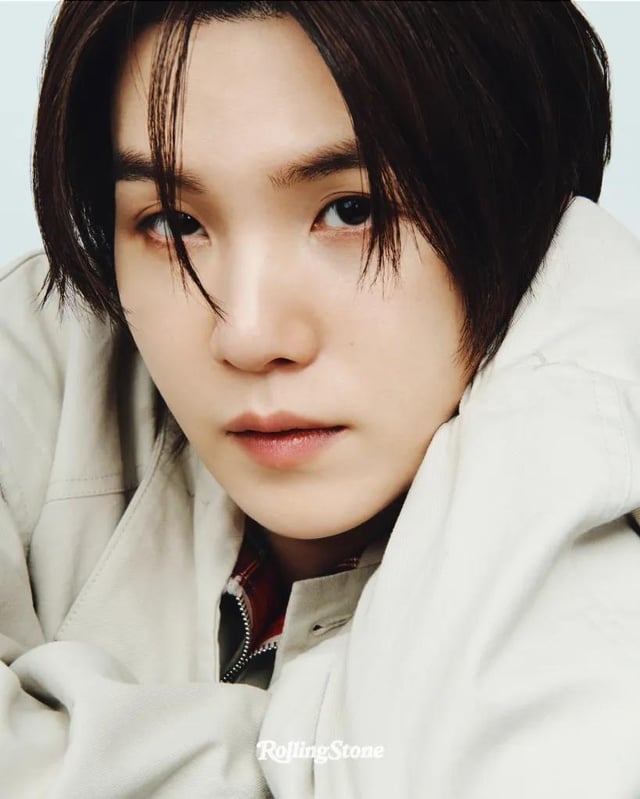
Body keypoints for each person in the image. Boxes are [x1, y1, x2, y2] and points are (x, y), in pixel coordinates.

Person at [2, 0, 640, 796]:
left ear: (528, 220)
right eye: (172, 221)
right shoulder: (44, 355)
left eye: (352, 210)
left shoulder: (586, 485)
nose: (248, 333)